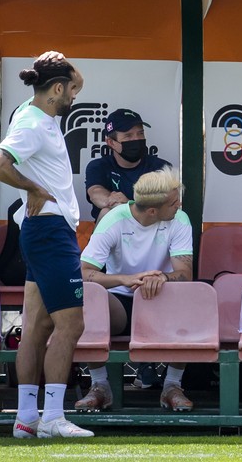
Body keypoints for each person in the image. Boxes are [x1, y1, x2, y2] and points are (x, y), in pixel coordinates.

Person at [0, 51, 93, 438]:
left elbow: (76, 80)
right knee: (71, 324)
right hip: (49, 233)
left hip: (42, 232)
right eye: (70, 92)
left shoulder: (31, 111)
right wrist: (32, 187)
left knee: (36, 324)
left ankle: (26, 418)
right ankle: (53, 418)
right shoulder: (31, 123)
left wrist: (60, 58)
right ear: (57, 90)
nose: (74, 97)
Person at [74, 167, 195, 412]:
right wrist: (126, 279)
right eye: (173, 203)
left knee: (191, 298)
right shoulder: (114, 219)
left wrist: (161, 277)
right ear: (153, 210)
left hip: (162, 301)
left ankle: (172, 386)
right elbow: (84, 272)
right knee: (87, 299)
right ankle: (99, 386)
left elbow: (184, 275)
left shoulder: (179, 219)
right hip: (121, 302)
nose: (178, 205)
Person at [84, 107, 170, 220]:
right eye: (128, 135)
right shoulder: (98, 166)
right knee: (106, 212)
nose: (137, 139)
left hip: (150, 230)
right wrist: (116, 203)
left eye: (140, 133)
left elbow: (165, 207)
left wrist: (129, 205)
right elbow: (95, 193)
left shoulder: (161, 168)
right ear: (111, 142)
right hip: (114, 231)